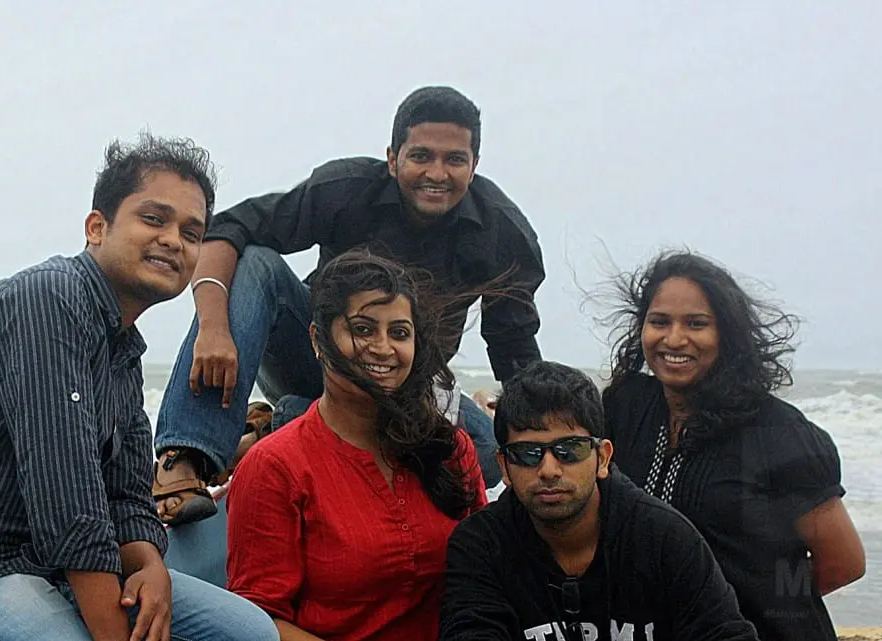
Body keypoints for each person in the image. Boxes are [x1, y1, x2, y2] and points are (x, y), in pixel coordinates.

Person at [0, 134, 278, 641]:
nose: (174, 240)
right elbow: (67, 499)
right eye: (154, 219)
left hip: (48, 564)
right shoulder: (48, 299)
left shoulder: (123, 348)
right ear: (97, 227)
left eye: (191, 232)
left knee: (250, 633)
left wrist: (150, 565)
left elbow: (127, 492)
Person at [152, 85, 545, 525]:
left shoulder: (502, 233)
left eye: (454, 159)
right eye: (421, 156)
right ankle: (186, 456)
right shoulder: (344, 190)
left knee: (489, 452)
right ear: (392, 159)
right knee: (259, 261)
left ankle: (281, 425)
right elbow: (227, 230)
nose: (436, 173)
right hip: (317, 359)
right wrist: (214, 328)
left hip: (407, 385)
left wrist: (546, 433)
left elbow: (514, 348)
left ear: (474, 166)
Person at [601, 250, 865, 641]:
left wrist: (758, 601)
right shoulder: (625, 408)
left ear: (727, 334)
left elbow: (844, 562)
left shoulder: (778, 432)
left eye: (696, 324)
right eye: (659, 322)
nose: (674, 339)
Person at [226, 249, 488, 640]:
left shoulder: (449, 449)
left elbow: (486, 574)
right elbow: (257, 624)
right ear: (318, 339)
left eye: (399, 333)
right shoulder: (275, 467)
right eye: (363, 329)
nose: (382, 348)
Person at [439, 360, 759, 641]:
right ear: (504, 466)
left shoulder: (664, 539)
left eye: (570, 450)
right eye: (527, 454)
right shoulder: (480, 546)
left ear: (602, 457)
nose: (549, 470)